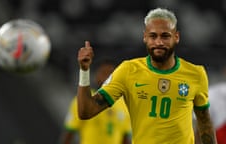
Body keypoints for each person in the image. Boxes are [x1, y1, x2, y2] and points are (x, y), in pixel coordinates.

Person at [76, 7, 218, 144]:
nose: (159, 42)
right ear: (145, 37)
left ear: (176, 37)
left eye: (165, 36)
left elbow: (204, 122)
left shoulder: (196, 74)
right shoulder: (128, 71)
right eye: (153, 36)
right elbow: (86, 111)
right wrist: (84, 70)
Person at [62, 58, 132, 144]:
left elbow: (125, 138)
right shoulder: (83, 99)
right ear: (96, 76)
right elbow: (69, 133)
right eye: (103, 73)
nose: (107, 78)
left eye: (111, 74)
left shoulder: (124, 104)